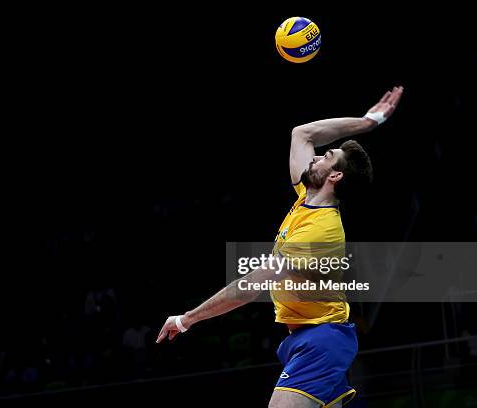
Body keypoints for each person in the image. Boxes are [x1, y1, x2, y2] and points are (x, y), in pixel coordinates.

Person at [156, 87, 404, 407]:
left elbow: (251, 286)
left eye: (326, 156)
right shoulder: (306, 198)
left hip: (321, 341)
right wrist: (367, 122)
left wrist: (186, 319)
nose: (316, 155)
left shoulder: (320, 231)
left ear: (336, 176)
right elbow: (303, 133)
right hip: (307, 336)